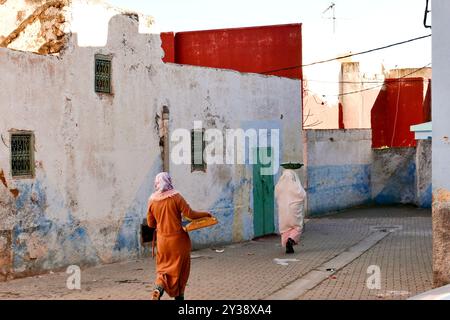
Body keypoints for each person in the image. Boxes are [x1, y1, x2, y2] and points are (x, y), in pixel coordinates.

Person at [147, 172, 211, 300]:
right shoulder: (176, 197)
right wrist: (206, 214)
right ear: (169, 181)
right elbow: (190, 214)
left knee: (163, 269)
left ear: (157, 183)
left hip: (162, 242)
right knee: (181, 270)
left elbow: (150, 223)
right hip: (178, 241)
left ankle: (158, 289)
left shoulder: (152, 200)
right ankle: (179, 297)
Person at [275, 169, 306, 254]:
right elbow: (302, 195)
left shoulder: (279, 186)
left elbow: (276, 196)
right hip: (294, 210)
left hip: (283, 211)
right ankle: (291, 240)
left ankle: (288, 246)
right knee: (297, 227)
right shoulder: (295, 186)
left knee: (285, 229)